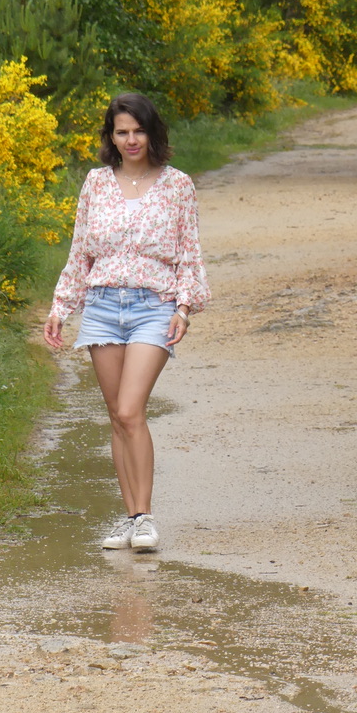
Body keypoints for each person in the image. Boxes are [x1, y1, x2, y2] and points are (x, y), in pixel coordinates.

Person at [43, 93, 210, 552]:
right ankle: (130, 518)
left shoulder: (177, 185)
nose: (131, 140)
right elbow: (80, 252)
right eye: (122, 132)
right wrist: (62, 307)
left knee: (132, 410)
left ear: (152, 132)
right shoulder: (96, 183)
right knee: (117, 417)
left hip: (152, 306)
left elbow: (190, 254)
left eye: (138, 130)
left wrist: (183, 308)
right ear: (110, 137)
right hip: (101, 306)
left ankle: (147, 518)